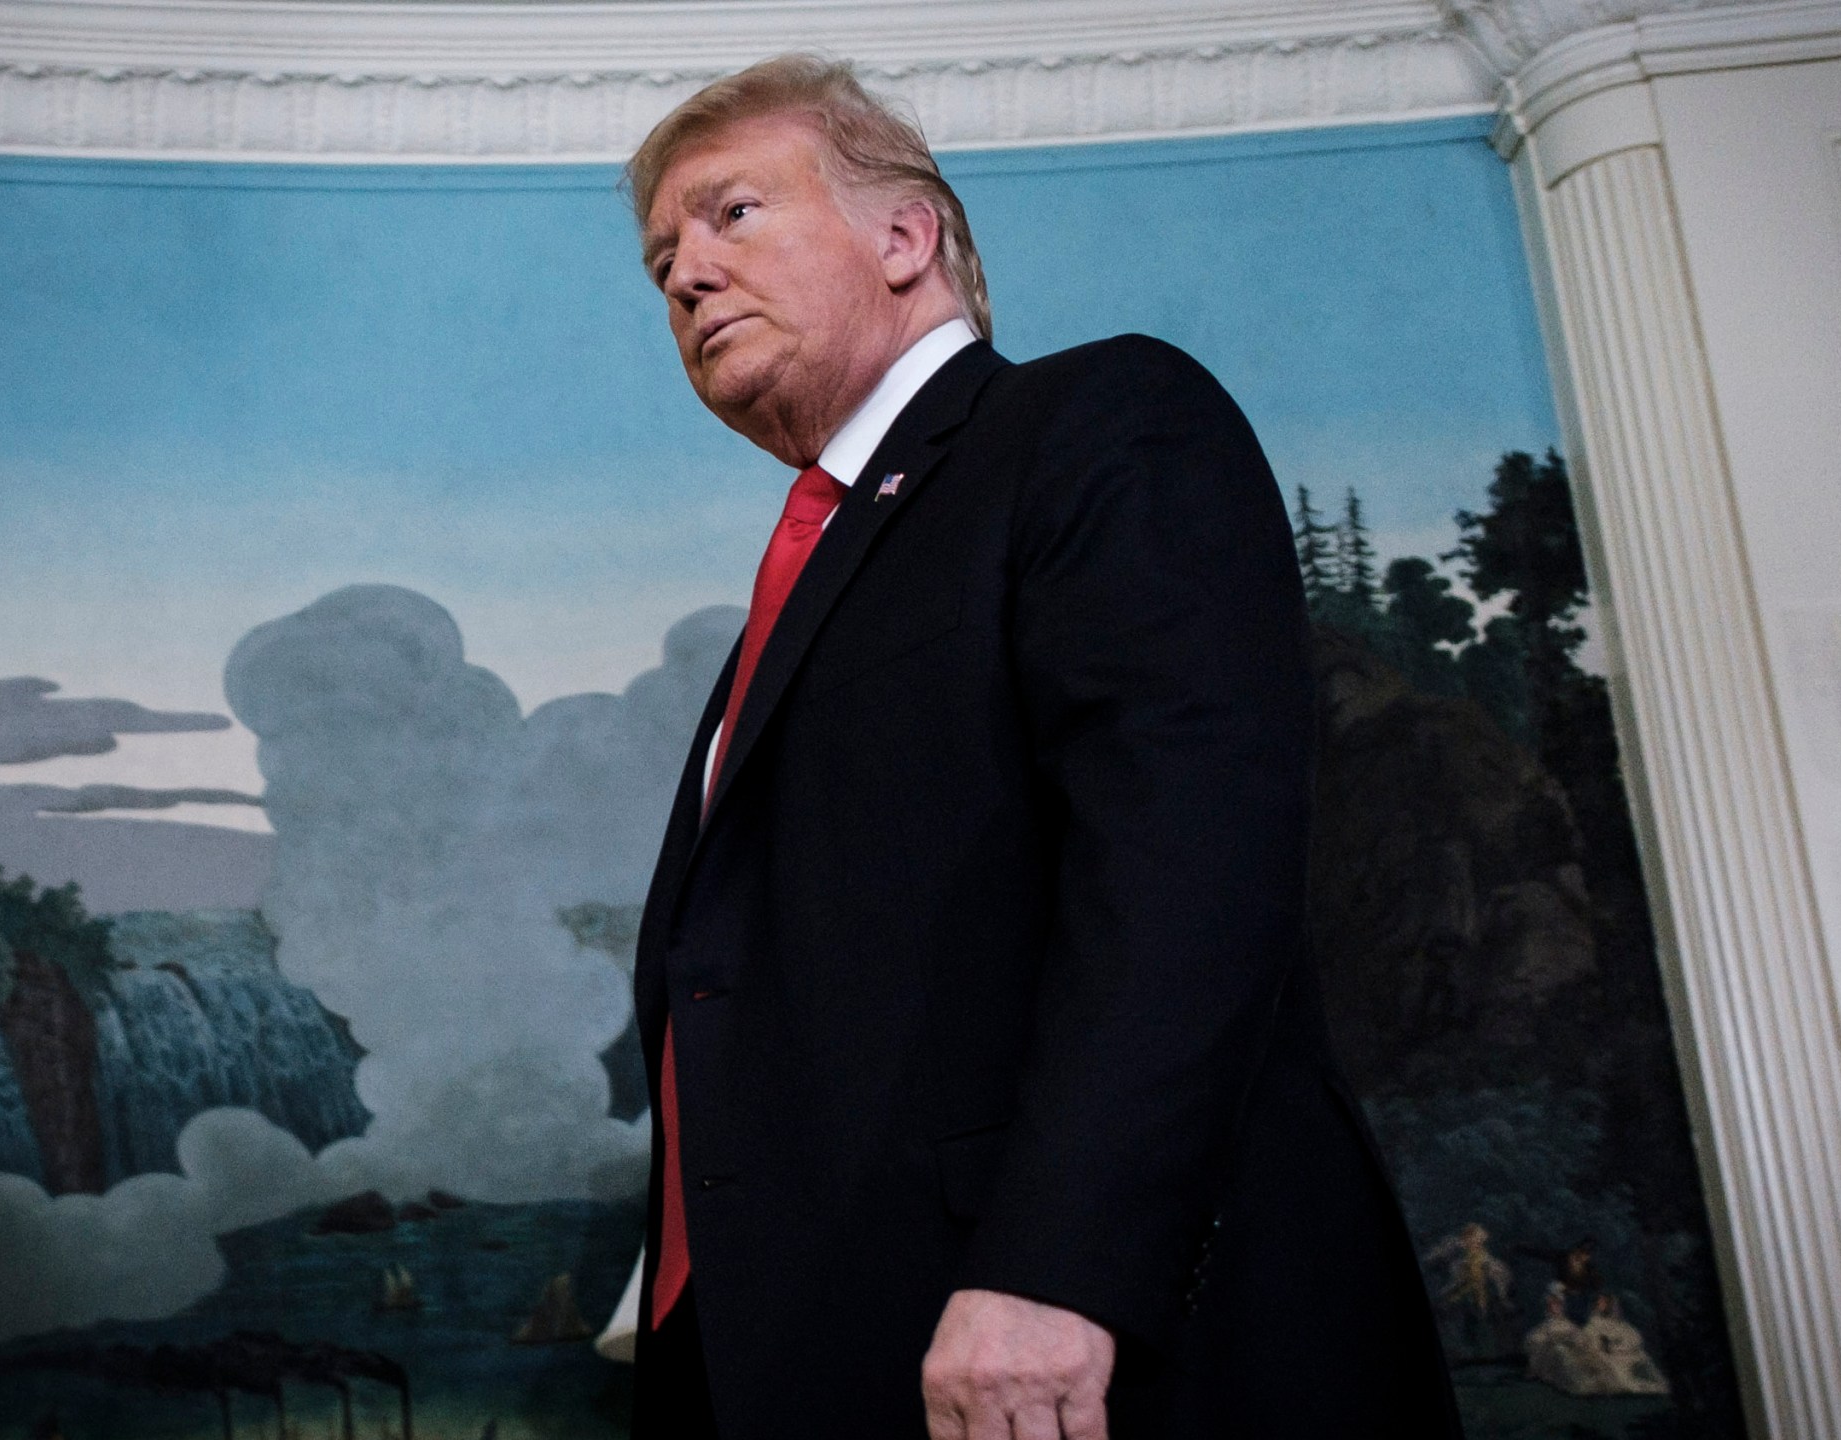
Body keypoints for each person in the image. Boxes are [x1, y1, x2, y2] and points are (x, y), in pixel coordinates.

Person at [621, 54, 1460, 1439]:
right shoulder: (819, 565)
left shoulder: (1098, 423)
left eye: (730, 216)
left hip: (1064, 1345)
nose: (686, 277)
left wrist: (1057, 1265)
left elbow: (1190, 862)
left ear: (906, 236)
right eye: (662, 258)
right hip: (830, 1350)